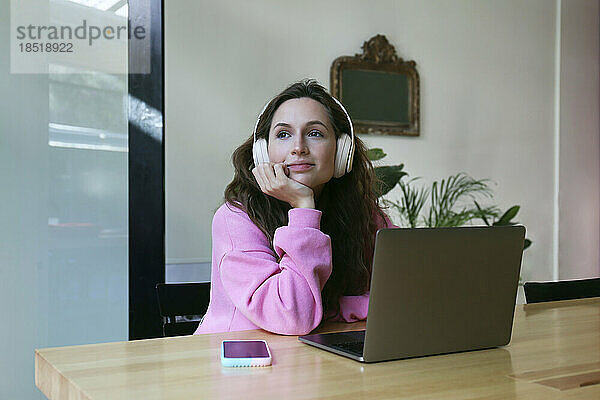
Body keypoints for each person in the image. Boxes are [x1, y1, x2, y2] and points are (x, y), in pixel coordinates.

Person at [194, 79, 396, 335]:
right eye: (283, 134)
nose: (298, 148)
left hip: (318, 357)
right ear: (263, 152)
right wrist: (302, 206)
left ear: (342, 150)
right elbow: (291, 315)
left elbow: (403, 288)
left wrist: (333, 307)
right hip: (245, 361)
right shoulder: (235, 219)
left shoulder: (362, 215)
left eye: (315, 133)